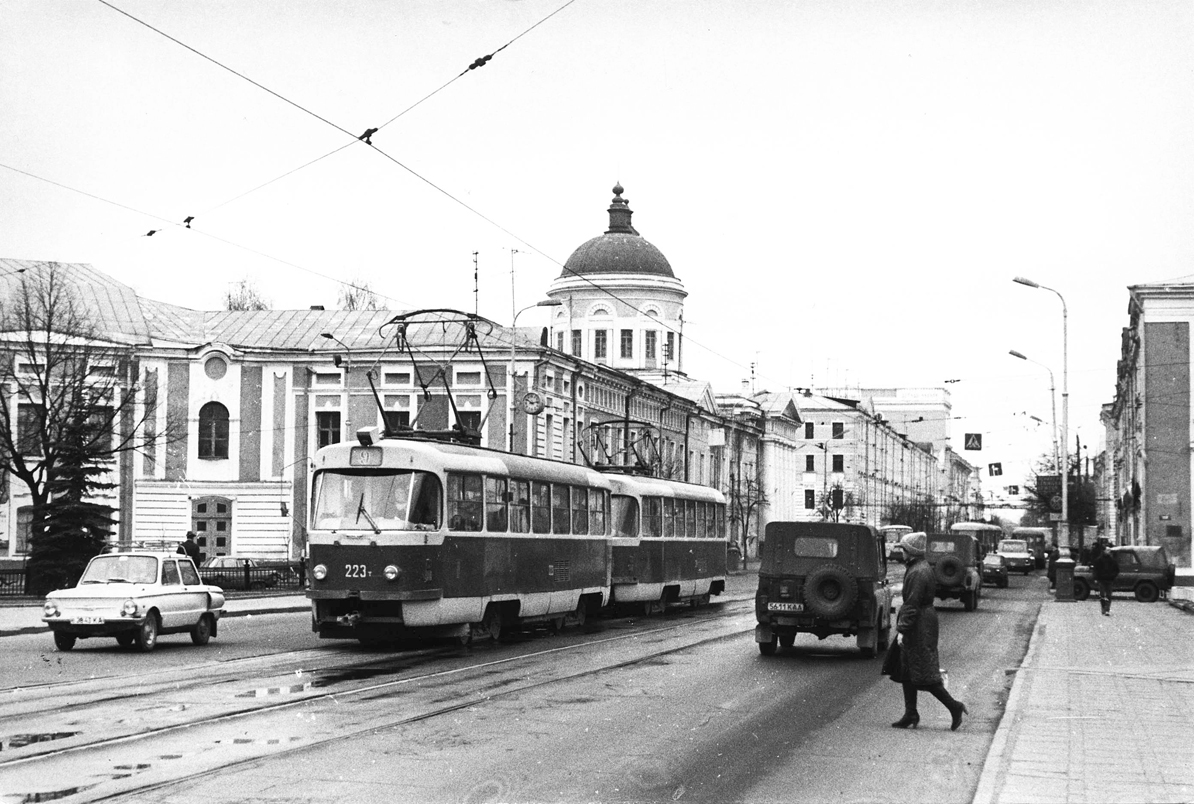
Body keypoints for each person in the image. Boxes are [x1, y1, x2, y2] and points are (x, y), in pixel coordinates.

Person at [891, 531, 968, 731]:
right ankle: (911, 713)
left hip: (919, 625)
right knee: (907, 668)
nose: (902, 553)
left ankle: (954, 706)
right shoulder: (919, 567)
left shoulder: (918, 571)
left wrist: (902, 630)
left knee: (925, 672)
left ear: (911, 552)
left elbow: (912, 603)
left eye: (904, 549)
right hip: (922, 622)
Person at [1092, 542, 1120, 616]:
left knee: (1109, 595)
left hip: (1109, 580)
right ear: (1104, 551)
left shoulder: (1112, 561)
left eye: (1109, 550)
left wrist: (1113, 576)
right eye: (1107, 550)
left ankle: (1107, 609)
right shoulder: (1099, 560)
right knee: (1102, 595)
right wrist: (1096, 578)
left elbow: (1116, 570)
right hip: (1101, 579)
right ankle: (1103, 608)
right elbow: (1096, 570)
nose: (1109, 552)